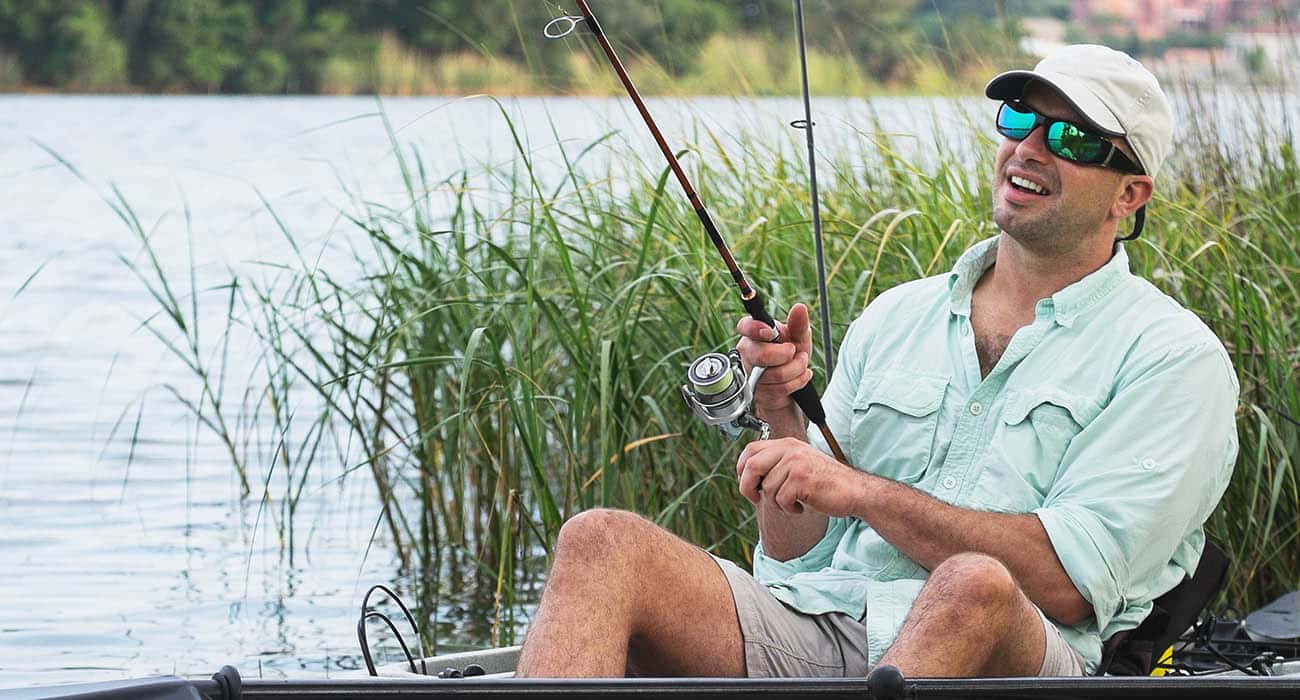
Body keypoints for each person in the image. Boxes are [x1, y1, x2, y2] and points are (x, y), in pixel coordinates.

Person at [514, 44, 1238, 679]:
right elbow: (797, 557)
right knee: (600, 541)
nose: (1029, 148)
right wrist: (782, 426)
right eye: (1021, 120)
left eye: (1072, 138)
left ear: (1130, 193)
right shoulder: (898, 315)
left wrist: (859, 490)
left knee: (972, 586)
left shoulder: (1174, 361)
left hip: (1028, 659)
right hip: (825, 626)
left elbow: (1065, 584)